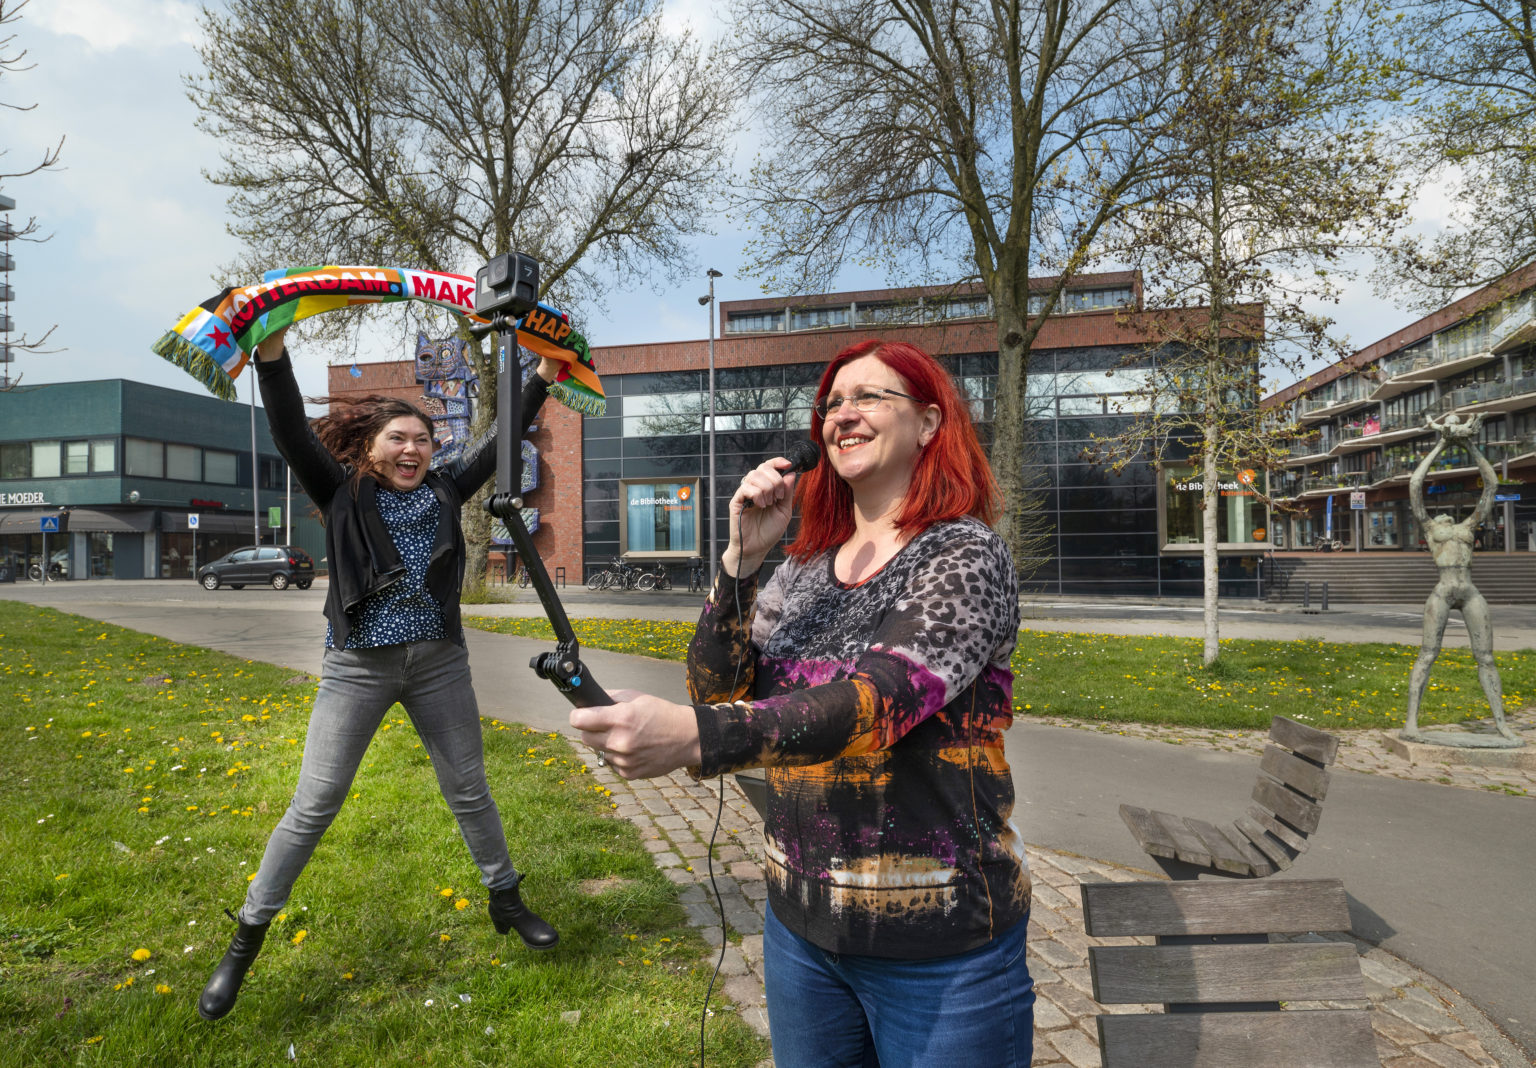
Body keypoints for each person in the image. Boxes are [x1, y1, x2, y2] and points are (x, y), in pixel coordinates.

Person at [572, 339, 1033, 1065]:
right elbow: (716, 690)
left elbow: (878, 705)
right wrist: (741, 563)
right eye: (832, 405)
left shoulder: (962, 553)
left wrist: (698, 738)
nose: (843, 415)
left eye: (870, 397)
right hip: (802, 933)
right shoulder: (806, 569)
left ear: (929, 423)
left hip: (942, 945)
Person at [198, 326, 561, 1023]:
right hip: (357, 671)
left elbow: (501, 433)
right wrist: (271, 356)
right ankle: (244, 941)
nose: (412, 449)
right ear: (370, 448)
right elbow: (288, 431)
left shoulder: (448, 490)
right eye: (398, 438)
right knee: (313, 806)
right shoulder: (340, 492)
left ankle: (506, 899)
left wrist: (542, 372)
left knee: (470, 790)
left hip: (438, 666)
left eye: (422, 439)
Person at [1404, 413, 1521, 746]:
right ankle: (1411, 722)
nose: (1444, 516)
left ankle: (1501, 724)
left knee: (1485, 657)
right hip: (1442, 591)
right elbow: (1415, 484)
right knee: (1428, 654)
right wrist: (1442, 441)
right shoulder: (1430, 528)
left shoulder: (1467, 528)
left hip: (1469, 591)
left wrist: (1468, 443)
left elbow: (1492, 485)